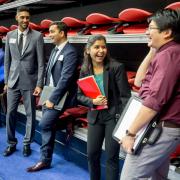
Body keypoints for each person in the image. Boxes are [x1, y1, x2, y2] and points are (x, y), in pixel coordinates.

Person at [120, 9, 180, 180]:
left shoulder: (169, 55)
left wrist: (130, 133)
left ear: (167, 32)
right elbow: (139, 82)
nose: (146, 31)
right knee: (157, 176)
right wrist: (153, 49)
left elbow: (154, 102)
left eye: (151, 28)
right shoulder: (166, 52)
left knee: (130, 177)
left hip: (161, 129)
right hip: (163, 128)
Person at [27, 21, 78, 172]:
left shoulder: (70, 52)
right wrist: (41, 88)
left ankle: (44, 159)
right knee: (47, 126)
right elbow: (49, 73)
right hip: (49, 92)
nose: (49, 35)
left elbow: (65, 79)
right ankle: (45, 160)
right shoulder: (55, 50)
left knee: (44, 124)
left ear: (62, 33)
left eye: (52, 32)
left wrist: (52, 99)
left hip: (61, 96)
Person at [77, 35, 131, 180]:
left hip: (113, 117)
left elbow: (125, 97)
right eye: (97, 47)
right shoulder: (85, 68)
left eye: (103, 47)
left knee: (111, 157)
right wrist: (93, 102)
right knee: (92, 155)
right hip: (95, 117)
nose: (101, 51)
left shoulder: (116, 67)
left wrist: (124, 124)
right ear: (88, 50)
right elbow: (79, 96)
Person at [3, 6, 45, 157]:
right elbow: (7, 61)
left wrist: (39, 84)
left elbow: (41, 63)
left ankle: (27, 143)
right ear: (17, 18)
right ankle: (11, 143)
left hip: (30, 81)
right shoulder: (9, 36)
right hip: (13, 82)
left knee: (30, 115)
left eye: (27, 17)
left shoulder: (37, 36)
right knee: (10, 113)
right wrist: (7, 81)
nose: (25, 20)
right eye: (22, 17)